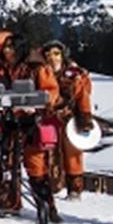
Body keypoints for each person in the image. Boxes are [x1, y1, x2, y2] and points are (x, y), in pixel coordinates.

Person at [0, 31, 61, 220]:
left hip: (30, 123)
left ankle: (46, 207)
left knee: (36, 166)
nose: (7, 51)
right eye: (5, 47)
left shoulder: (37, 68)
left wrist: (38, 106)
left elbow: (51, 92)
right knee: (0, 162)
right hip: (5, 123)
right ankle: (5, 203)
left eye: (11, 47)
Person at [42, 39, 95, 200]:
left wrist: (85, 118)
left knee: (73, 155)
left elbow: (83, 97)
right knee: (48, 152)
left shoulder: (75, 74)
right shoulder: (41, 72)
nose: (53, 58)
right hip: (48, 119)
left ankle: (74, 189)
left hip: (69, 119)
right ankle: (52, 185)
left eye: (56, 54)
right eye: (48, 54)